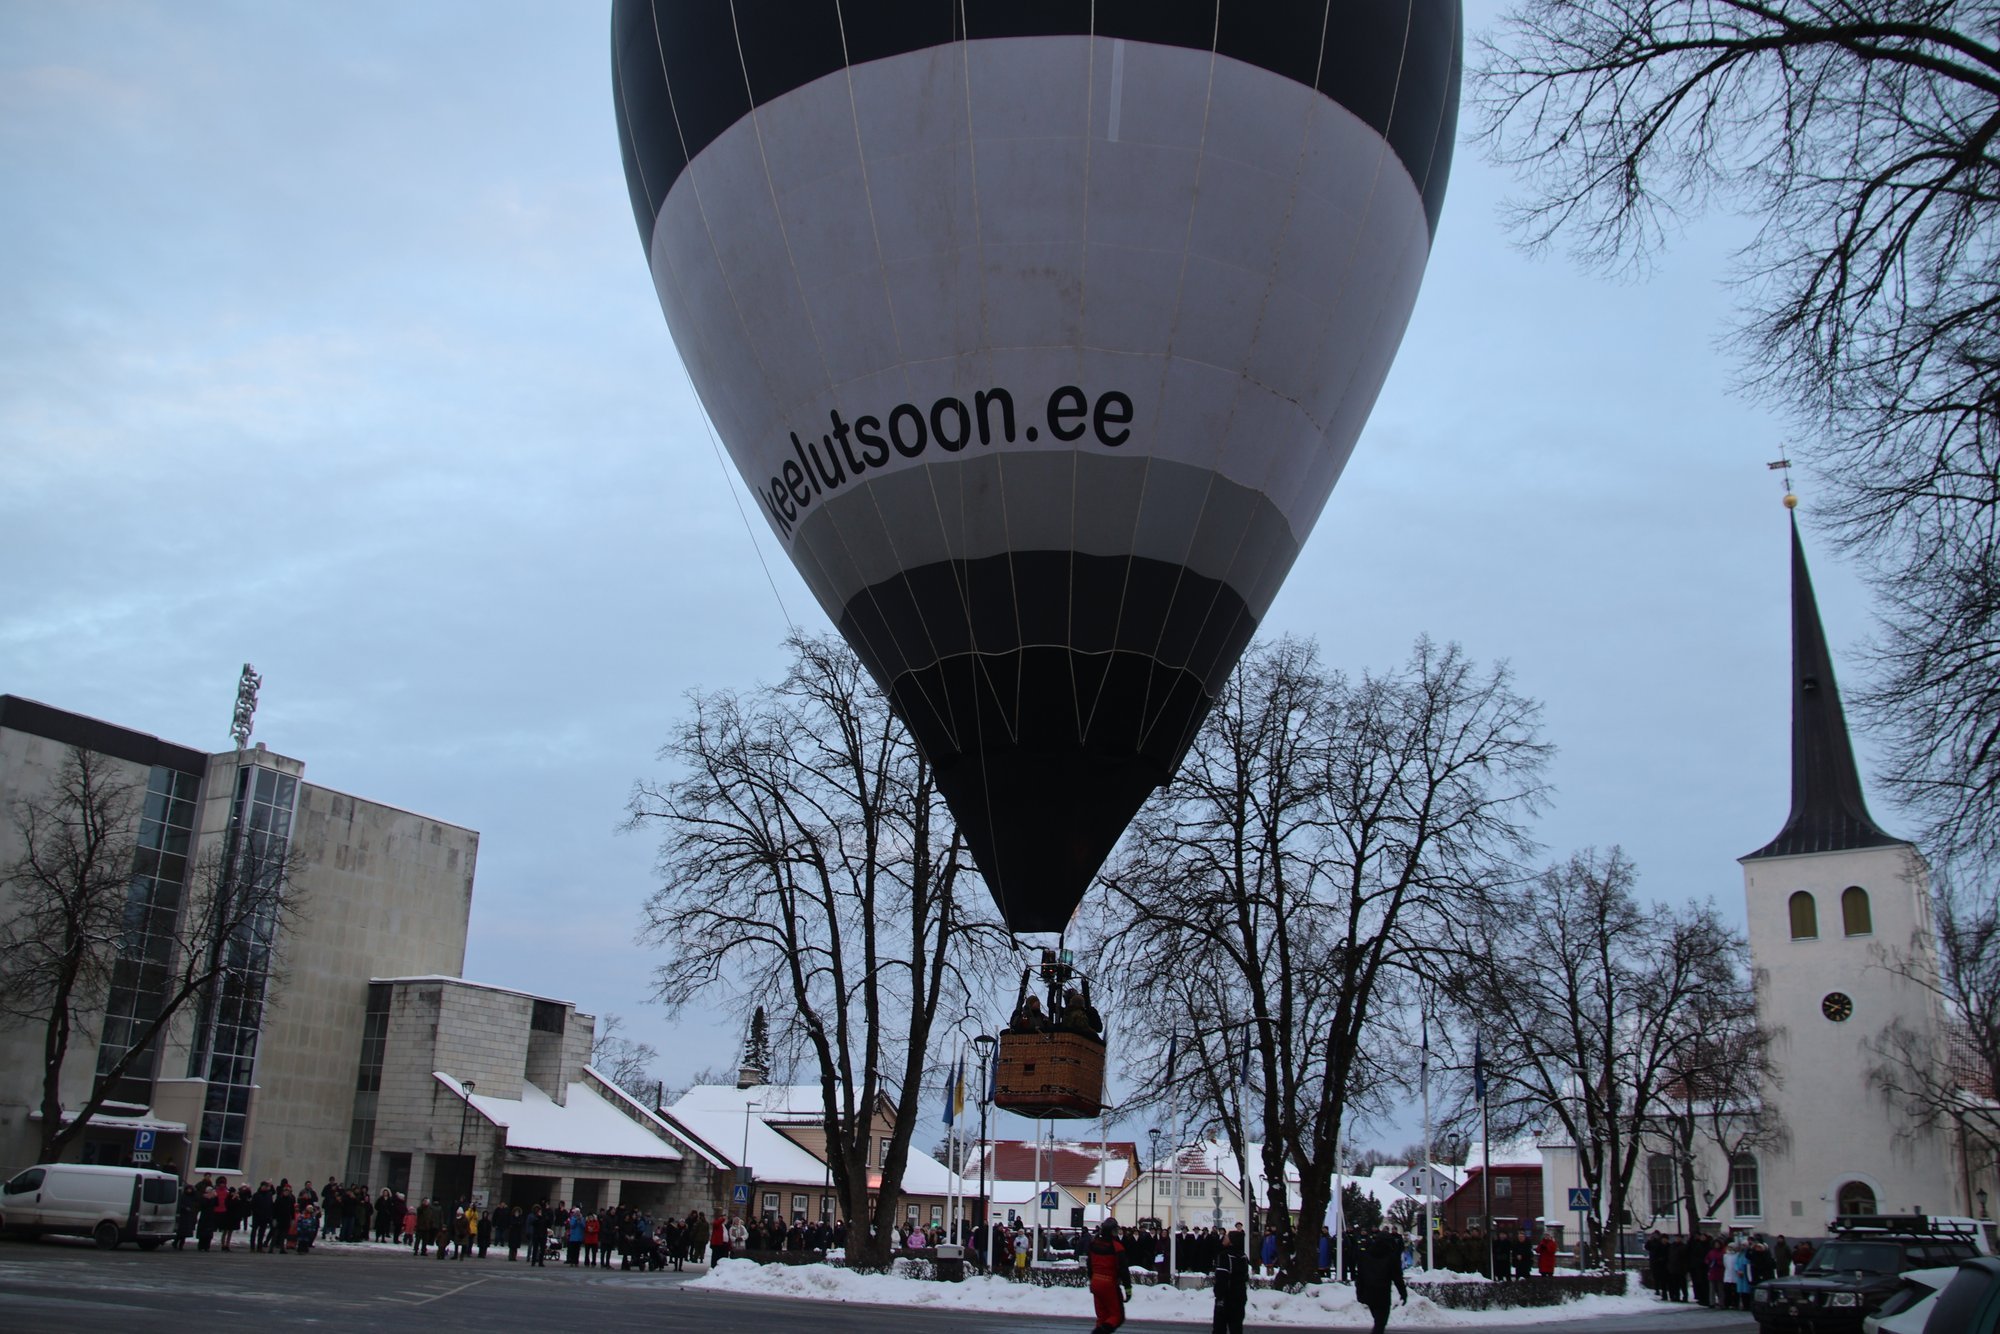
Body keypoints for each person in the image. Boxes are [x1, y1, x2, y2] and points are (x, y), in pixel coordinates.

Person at [1354, 1228, 1410, 1334]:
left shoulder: (1365, 1255)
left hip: (1369, 1293)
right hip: (1383, 1294)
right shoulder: (1391, 1257)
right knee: (1380, 1323)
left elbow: (1360, 1276)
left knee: (1378, 1322)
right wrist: (1403, 1293)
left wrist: (1359, 1292)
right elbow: (1397, 1277)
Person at [1085, 1219, 1133, 1334]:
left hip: (1096, 1282)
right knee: (1117, 1316)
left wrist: (1092, 1280)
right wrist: (1128, 1289)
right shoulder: (1117, 1247)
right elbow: (1123, 1270)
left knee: (1102, 1316)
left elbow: (1089, 1265)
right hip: (1109, 1284)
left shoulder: (1093, 1244)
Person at [1211, 1227, 1250, 1334]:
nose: (1224, 1238)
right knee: (1236, 1328)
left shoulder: (1225, 1256)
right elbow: (1245, 1277)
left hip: (1226, 1299)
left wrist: (1219, 1296)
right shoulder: (1243, 1257)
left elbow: (1221, 1279)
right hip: (1240, 1297)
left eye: (1227, 1237)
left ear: (1232, 1242)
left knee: (1219, 1329)